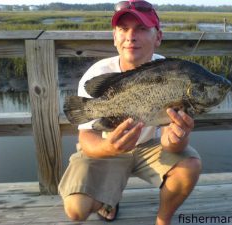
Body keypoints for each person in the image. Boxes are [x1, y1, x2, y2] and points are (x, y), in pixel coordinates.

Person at [58, 1, 202, 224]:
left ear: (158, 36)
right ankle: (108, 199)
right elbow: (87, 137)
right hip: (107, 148)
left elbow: (170, 144)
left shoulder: (171, 72)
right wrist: (109, 147)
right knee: (76, 210)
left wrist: (179, 138)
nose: (131, 36)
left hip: (149, 148)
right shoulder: (99, 73)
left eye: (142, 29)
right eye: (123, 29)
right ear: (114, 37)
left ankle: (163, 220)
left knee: (190, 165)